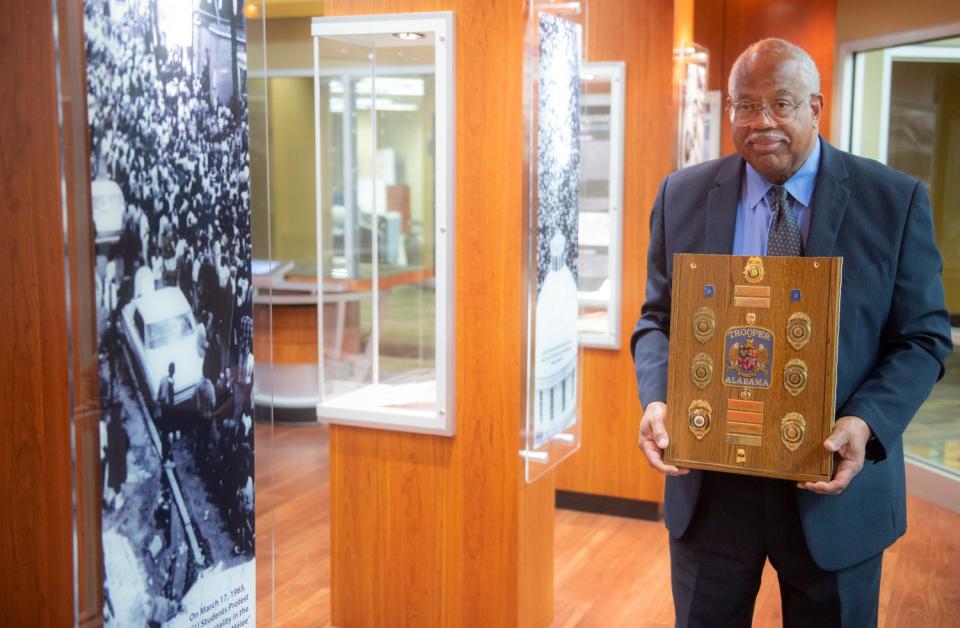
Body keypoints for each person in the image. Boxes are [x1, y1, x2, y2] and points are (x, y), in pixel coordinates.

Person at [632, 38, 952, 627]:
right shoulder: (683, 194)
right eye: (745, 107)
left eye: (781, 104)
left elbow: (924, 338)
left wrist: (864, 422)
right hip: (712, 484)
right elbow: (657, 318)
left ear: (816, 107)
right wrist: (657, 397)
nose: (762, 123)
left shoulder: (892, 200)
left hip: (832, 480)